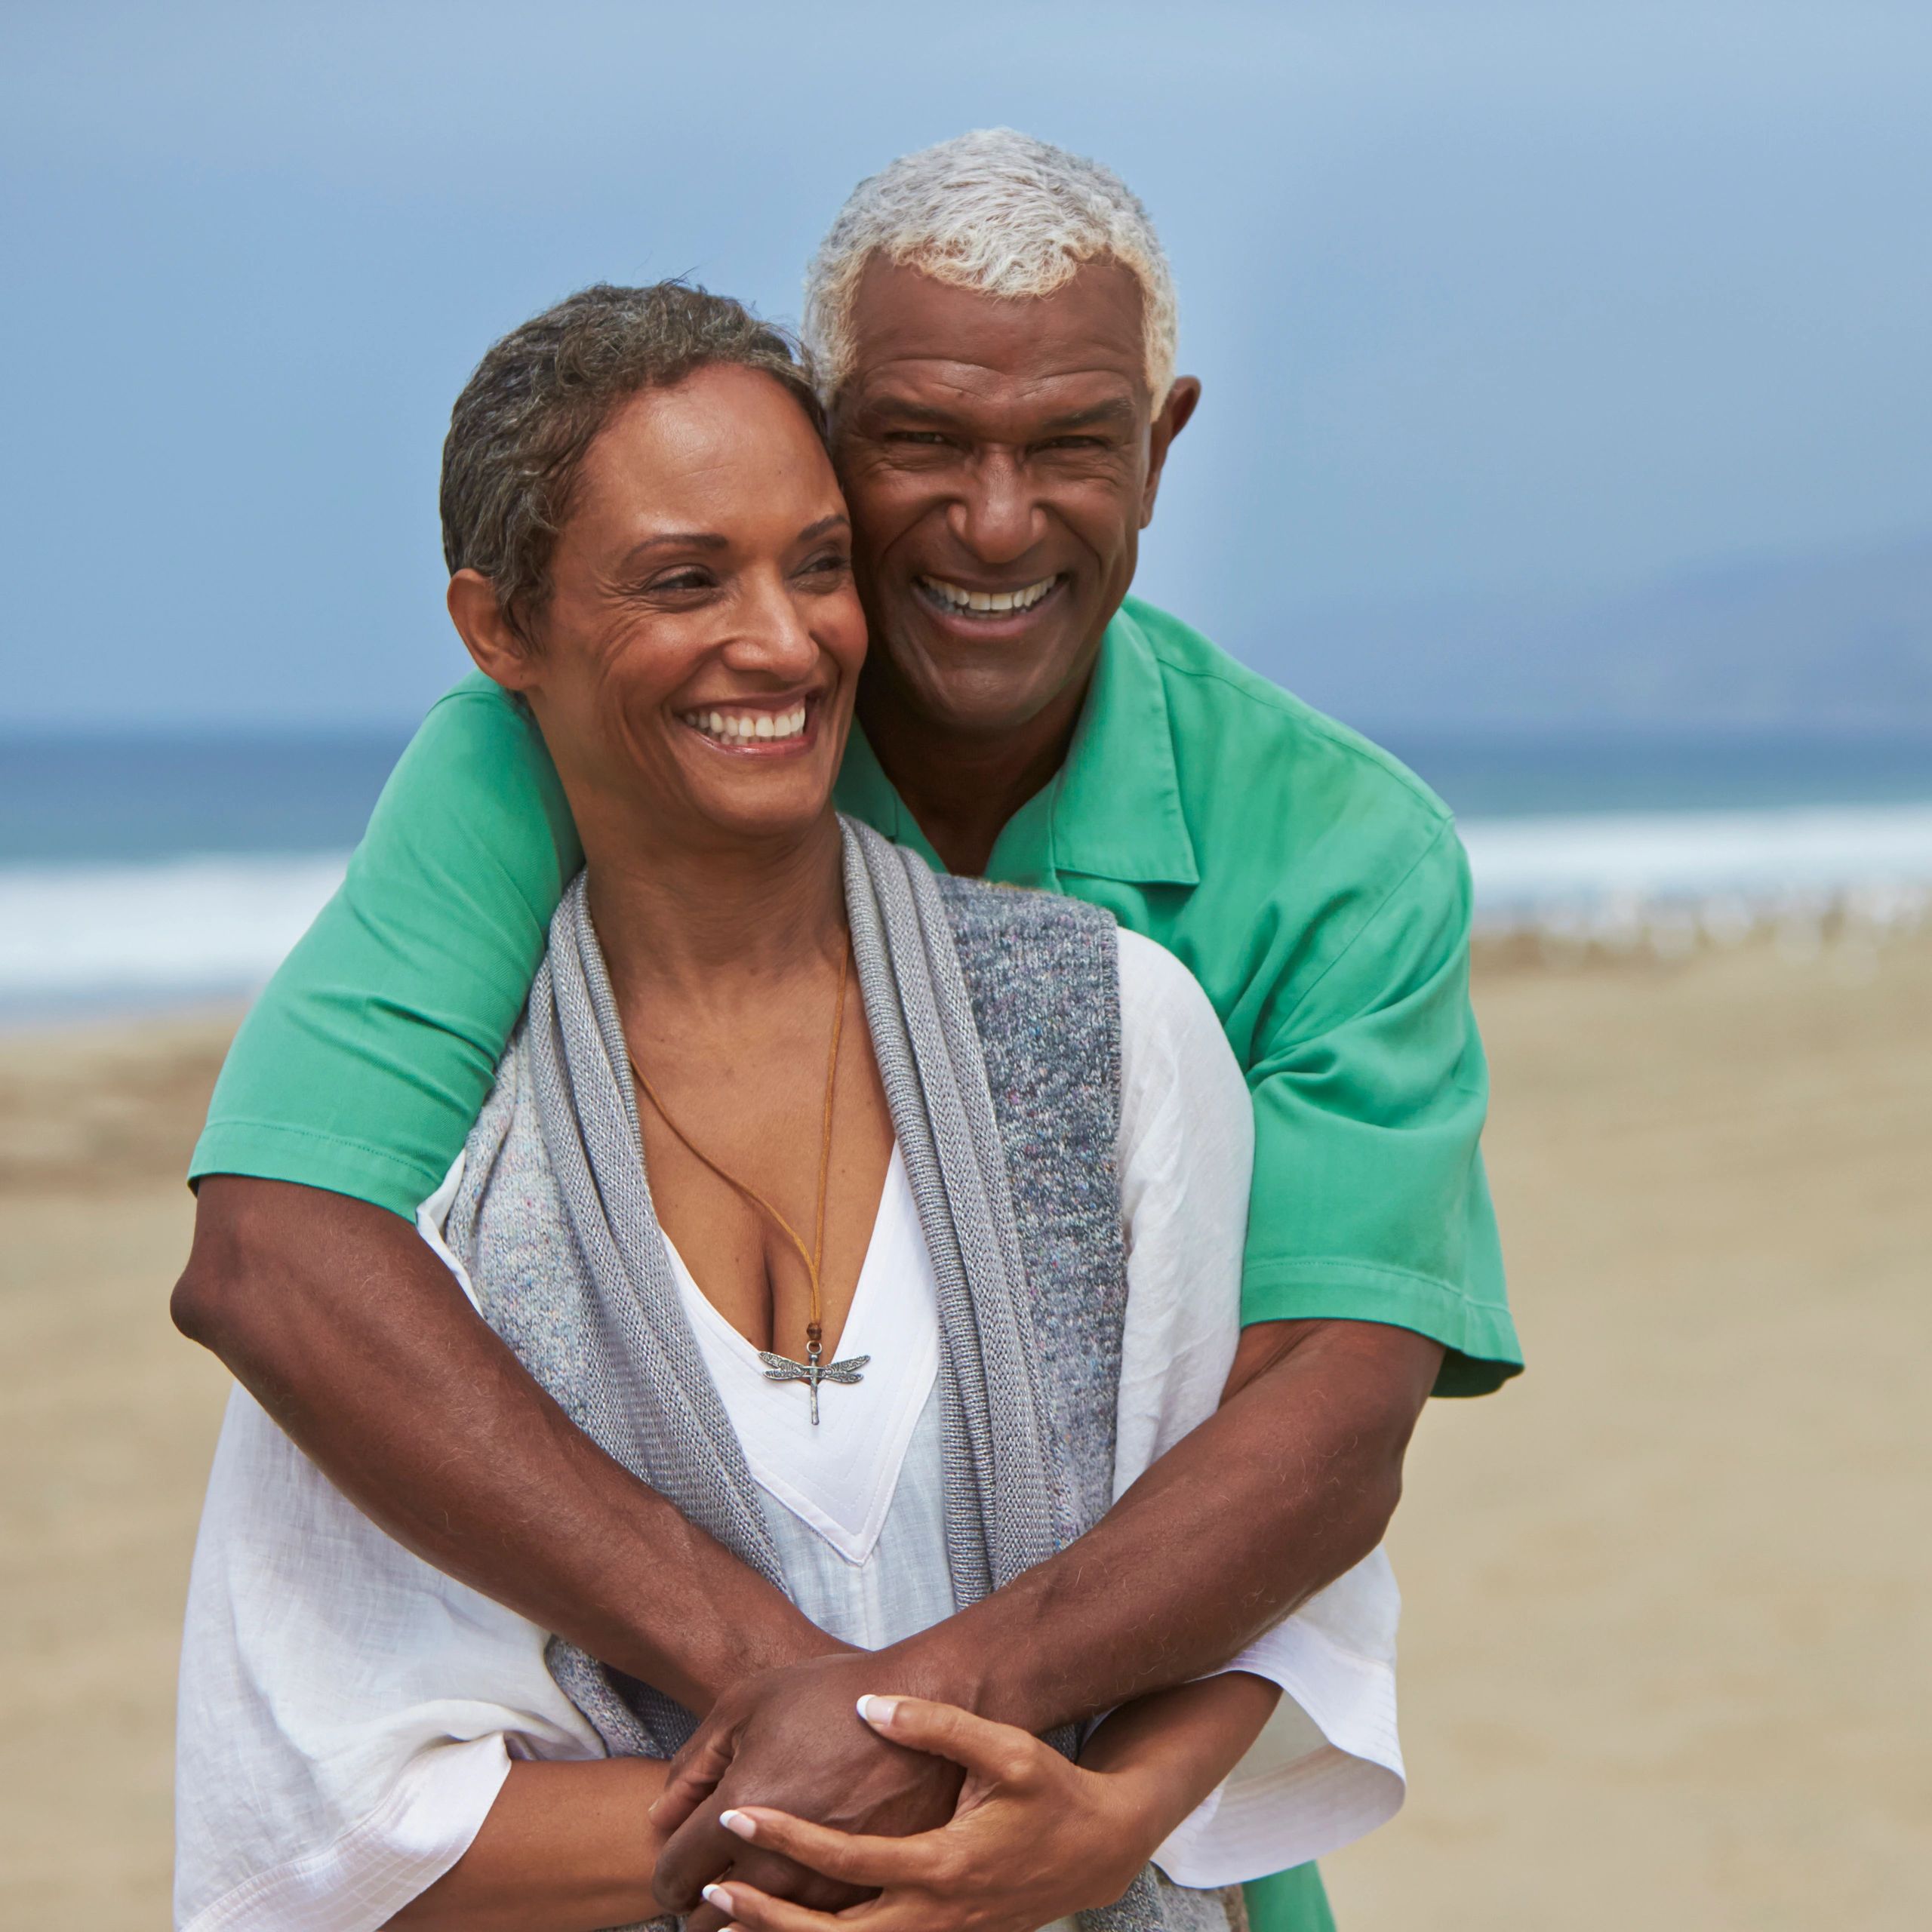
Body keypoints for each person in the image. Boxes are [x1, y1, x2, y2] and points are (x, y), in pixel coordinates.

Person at [174, 131, 1521, 1932]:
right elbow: (280, 1249)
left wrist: (1066, 1806)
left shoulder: (1319, 866)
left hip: (1148, 1835)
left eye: (1069, 444)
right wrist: (801, 1708)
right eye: (917, 442)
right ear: (830, 428)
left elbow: (1319, 1421)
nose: (990, 520)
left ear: (1162, 442)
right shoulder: (571, 748)